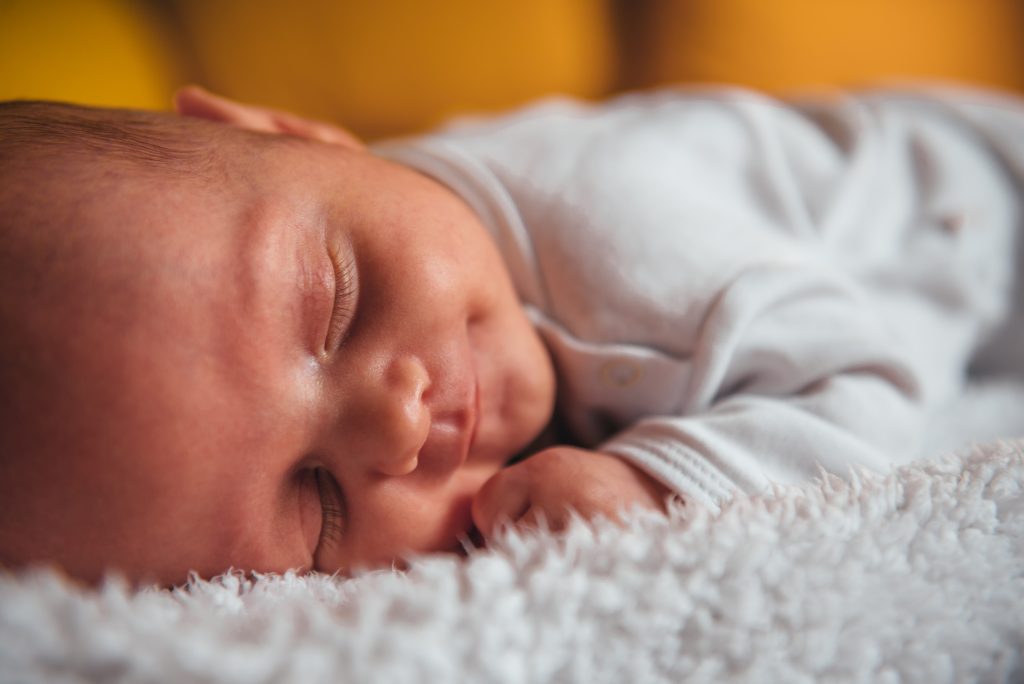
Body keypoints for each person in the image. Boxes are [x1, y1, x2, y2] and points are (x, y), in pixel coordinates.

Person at [0, 85, 1020, 586]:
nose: (394, 426)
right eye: (316, 510)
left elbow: (866, 378)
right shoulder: (339, 230)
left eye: (337, 302)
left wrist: (653, 488)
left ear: (280, 131)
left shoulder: (623, 238)